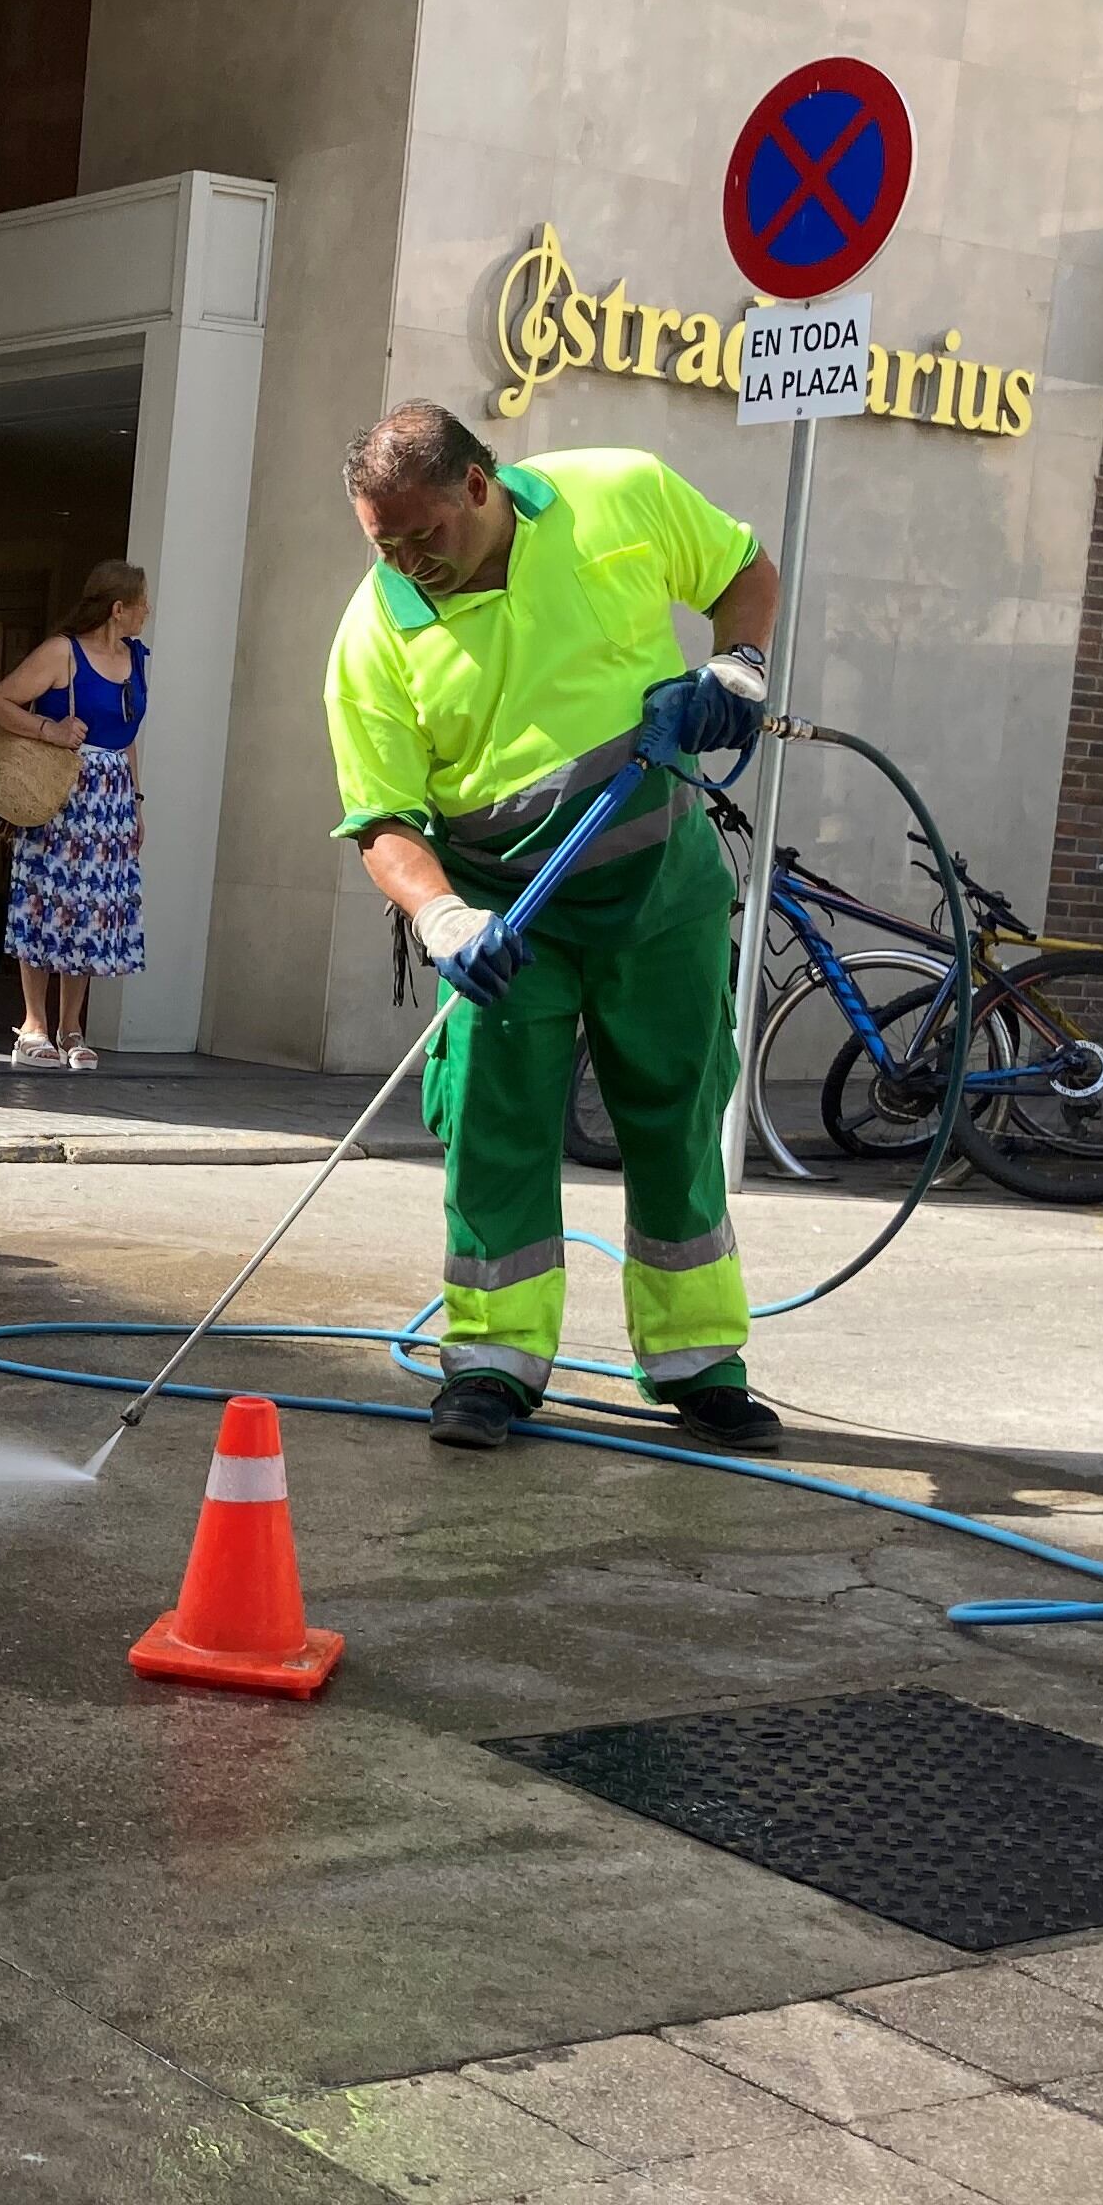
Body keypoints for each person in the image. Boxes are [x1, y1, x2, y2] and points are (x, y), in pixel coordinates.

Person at [325, 401, 782, 1455]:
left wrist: (737, 667)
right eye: (380, 543)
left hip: (662, 895)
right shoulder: (376, 633)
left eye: (419, 535)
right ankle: (491, 1364)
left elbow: (741, 569)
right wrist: (441, 916)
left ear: (477, 487)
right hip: (506, 922)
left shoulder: (618, 492)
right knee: (498, 1130)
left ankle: (698, 1363)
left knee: (676, 1114)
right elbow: (382, 818)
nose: (403, 561)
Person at [0, 564, 153, 1068]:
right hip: (59, 788)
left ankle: (71, 1027)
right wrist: (48, 729)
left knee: (93, 908)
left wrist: (137, 801)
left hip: (112, 797)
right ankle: (33, 1025)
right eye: (142, 602)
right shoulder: (64, 653)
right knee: (47, 899)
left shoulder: (137, 659)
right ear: (117, 608)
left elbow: (128, 736)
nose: (148, 610)